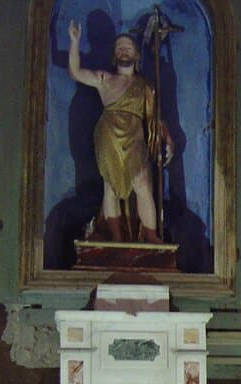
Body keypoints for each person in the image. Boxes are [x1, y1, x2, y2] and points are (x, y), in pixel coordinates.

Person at [68, 20, 175, 244]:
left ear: (136, 54)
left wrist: (168, 138)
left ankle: (152, 235)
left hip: (134, 135)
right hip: (108, 134)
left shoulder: (145, 85)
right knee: (111, 184)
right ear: (114, 55)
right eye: (119, 47)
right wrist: (75, 42)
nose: (123, 49)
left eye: (127, 46)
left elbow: (155, 118)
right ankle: (115, 238)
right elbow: (76, 72)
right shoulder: (104, 79)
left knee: (142, 182)